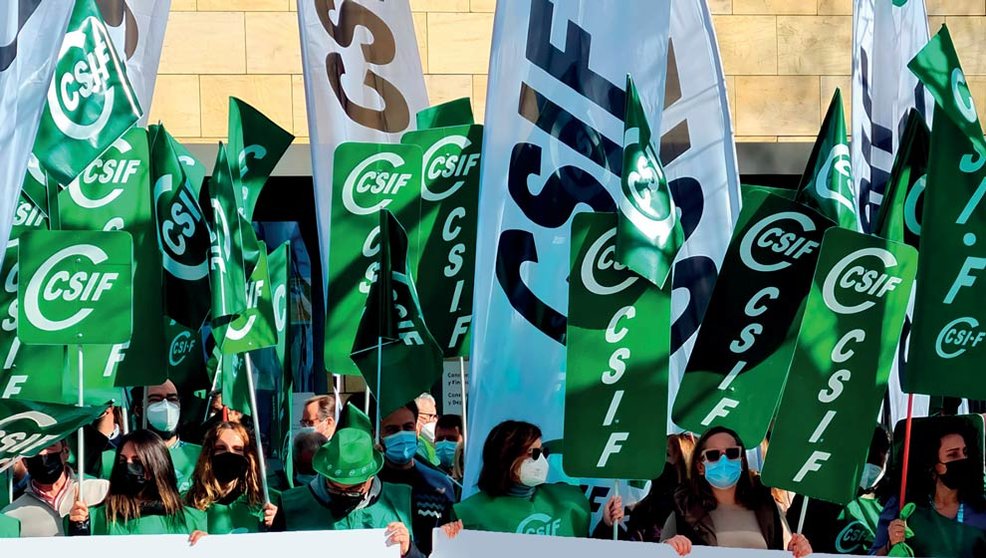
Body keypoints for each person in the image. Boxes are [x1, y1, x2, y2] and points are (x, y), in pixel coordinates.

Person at [661, 426, 812, 557]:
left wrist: (800, 548)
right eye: (713, 455)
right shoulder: (683, 512)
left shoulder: (767, 508)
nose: (724, 461)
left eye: (732, 453)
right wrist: (669, 548)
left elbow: (788, 551)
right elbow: (657, 552)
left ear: (742, 461)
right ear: (700, 466)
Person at [274, 428, 421, 558]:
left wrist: (409, 551)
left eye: (353, 489)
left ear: (371, 477)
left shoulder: (403, 501)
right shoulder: (291, 505)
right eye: (335, 487)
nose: (344, 495)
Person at [453, 420, 616, 537]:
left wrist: (606, 526)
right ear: (506, 458)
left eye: (543, 452)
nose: (541, 460)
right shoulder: (468, 515)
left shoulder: (569, 501)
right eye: (533, 453)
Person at [871, 419, 986, 556]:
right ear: (933, 464)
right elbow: (873, 555)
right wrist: (890, 544)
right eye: (952, 454)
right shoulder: (902, 507)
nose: (963, 459)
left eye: (965, 452)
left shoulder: (981, 508)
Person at [67, 430, 207, 539]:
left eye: (137, 461)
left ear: (157, 466)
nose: (128, 466)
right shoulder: (95, 519)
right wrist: (78, 529)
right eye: (122, 461)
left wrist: (208, 545)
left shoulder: (192, 520)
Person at [787, 425, 890, 554]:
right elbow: (788, 540)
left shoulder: (888, 506)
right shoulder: (815, 497)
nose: (870, 466)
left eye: (878, 461)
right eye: (866, 459)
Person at [378, 402, 456, 555]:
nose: (402, 435)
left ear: (417, 429)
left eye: (408, 427)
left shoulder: (439, 484)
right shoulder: (371, 484)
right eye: (392, 430)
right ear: (378, 434)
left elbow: (450, 543)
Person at [186, 421, 278, 533]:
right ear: (209, 454)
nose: (229, 453)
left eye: (237, 449)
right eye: (221, 448)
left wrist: (278, 522)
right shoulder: (190, 502)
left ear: (247, 456)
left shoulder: (267, 502)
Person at [600, 433, 695, 541]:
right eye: (658, 454)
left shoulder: (697, 513)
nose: (660, 461)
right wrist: (608, 525)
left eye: (667, 454)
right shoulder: (642, 508)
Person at [2, 440, 109, 536]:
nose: (43, 453)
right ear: (25, 461)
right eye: (34, 448)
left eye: (51, 445)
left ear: (66, 452)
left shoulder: (103, 491)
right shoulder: (11, 515)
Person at [125, 381, 202, 494]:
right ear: (138, 410)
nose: (166, 406)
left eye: (172, 399)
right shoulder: (121, 458)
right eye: (155, 399)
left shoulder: (201, 456)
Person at [414, 393, 439, 467]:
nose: (434, 420)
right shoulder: (417, 444)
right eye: (430, 415)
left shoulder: (433, 440)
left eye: (435, 416)